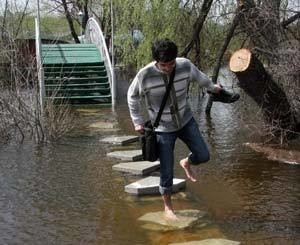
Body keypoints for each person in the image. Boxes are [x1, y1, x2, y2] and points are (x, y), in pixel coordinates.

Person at [127, 39, 221, 220]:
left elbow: (202, 79)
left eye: (171, 63)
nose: (169, 68)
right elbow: (132, 97)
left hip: (186, 121)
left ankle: (187, 162)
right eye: (164, 65)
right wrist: (137, 121)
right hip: (162, 128)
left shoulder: (184, 65)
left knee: (203, 155)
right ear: (156, 61)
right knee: (166, 171)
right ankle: (168, 207)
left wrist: (214, 88)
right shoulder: (144, 75)